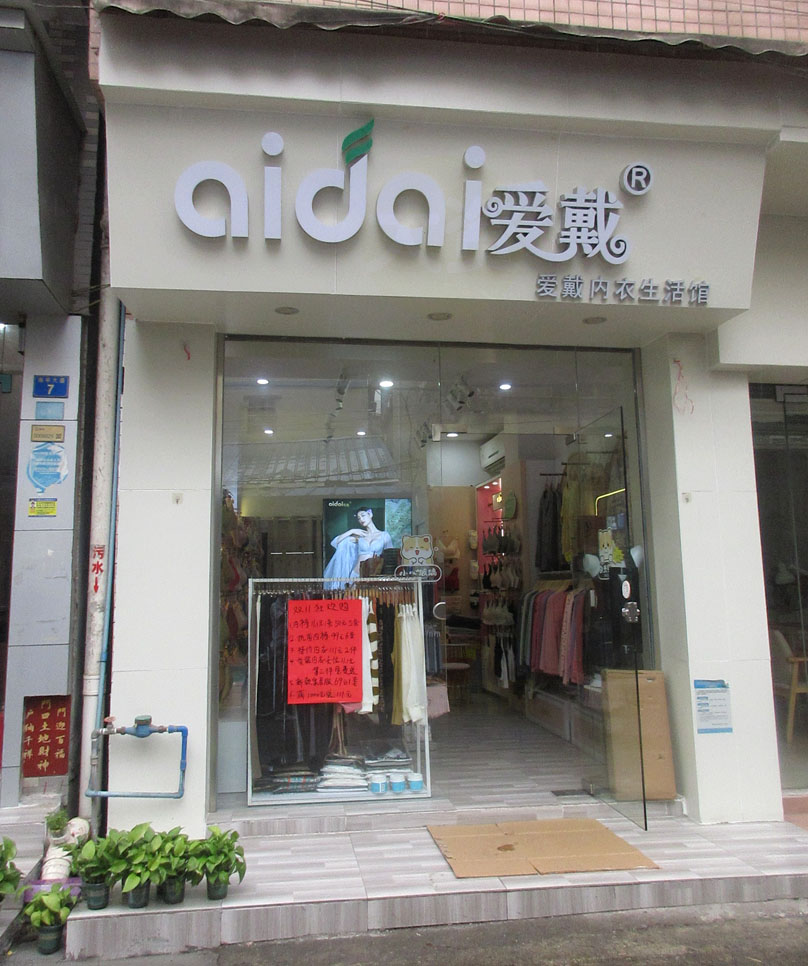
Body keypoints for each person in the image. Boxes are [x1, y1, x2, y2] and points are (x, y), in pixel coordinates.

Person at [323, 507, 393, 582]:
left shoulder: (384, 535)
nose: (361, 519)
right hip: (356, 574)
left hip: (374, 575)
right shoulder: (360, 536)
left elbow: (390, 557)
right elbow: (335, 542)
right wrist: (352, 531)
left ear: (370, 514)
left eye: (363, 515)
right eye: (359, 518)